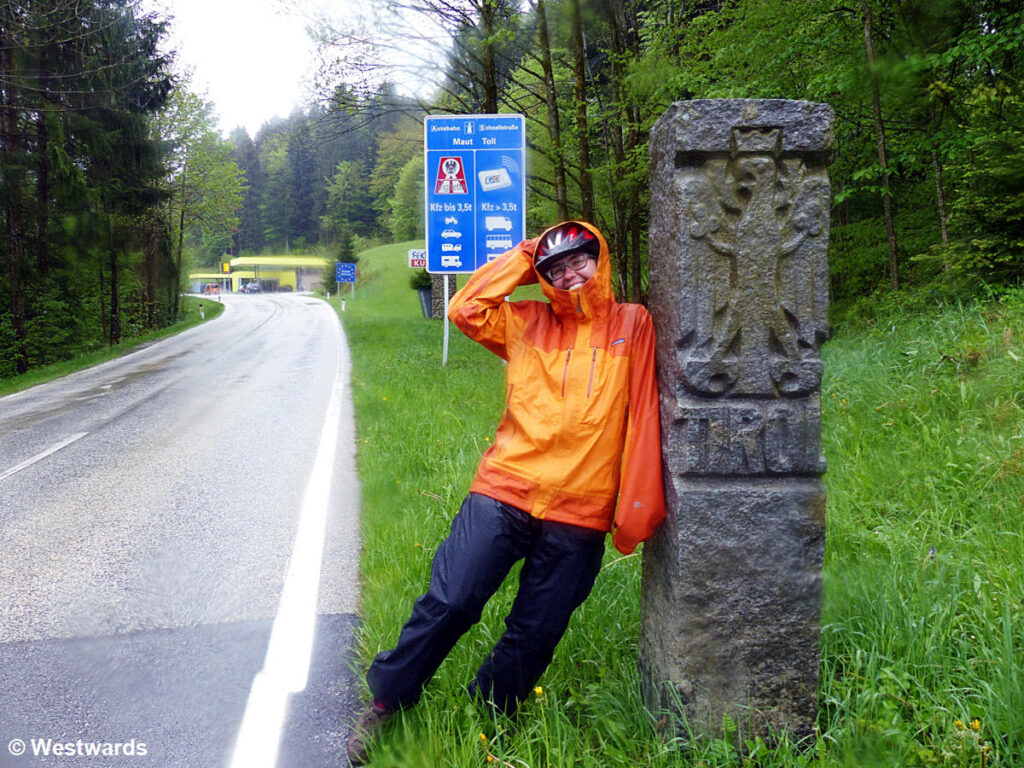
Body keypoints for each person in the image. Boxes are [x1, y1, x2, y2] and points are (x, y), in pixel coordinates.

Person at [346, 221, 665, 765]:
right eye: (554, 268)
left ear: (600, 259)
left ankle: (485, 717)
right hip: (505, 488)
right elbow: (465, 309)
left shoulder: (631, 323)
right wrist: (525, 254)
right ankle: (386, 700)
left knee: (536, 630)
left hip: (581, 508)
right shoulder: (525, 321)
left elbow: (643, 411)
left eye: (578, 261)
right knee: (451, 599)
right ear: (541, 278)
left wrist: (634, 505)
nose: (568, 274)